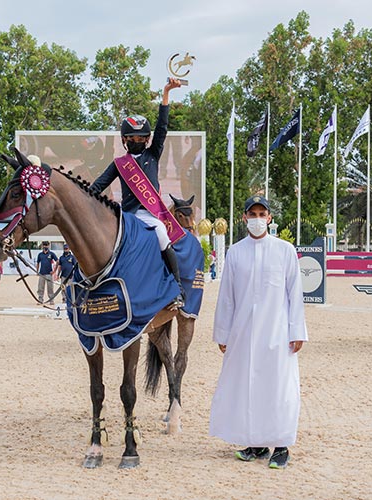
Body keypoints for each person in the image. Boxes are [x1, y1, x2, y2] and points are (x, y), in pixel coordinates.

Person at [209, 195, 308, 470]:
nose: (256, 219)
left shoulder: (285, 250)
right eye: (251, 214)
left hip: (277, 333)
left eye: (261, 213)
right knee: (248, 388)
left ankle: (281, 446)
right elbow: (226, 297)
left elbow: (294, 294)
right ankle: (256, 443)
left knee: (278, 388)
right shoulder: (235, 252)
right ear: (244, 218)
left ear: (270, 218)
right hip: (243, 333)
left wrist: (296, 331)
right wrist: (223, 333)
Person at [89, 78, 185, 306]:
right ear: (125, 140)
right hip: (128, 215)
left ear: (147, 140)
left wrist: (166, 93)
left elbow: (162, 128)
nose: (137, 141)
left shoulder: (152, 155)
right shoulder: (119, 163)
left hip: (152, 215)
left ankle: (177, 286)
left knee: (162, 237)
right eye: (132, 138)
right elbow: (99, 185)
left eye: (141, 138)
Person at [35, 241, 58, 305]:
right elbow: (37, 263)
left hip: (49, 273)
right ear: (42, 246)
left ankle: (51, 300)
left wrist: (54, 271)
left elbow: (57, 261)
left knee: (50, 287)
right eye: (44, 245)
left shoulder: (51, 254)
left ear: (48, 246)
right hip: (42, 273)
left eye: (46, 245)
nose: (45, 246)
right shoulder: (40, 254)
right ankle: (40, 299)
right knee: (40, 287)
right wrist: (37, 271)